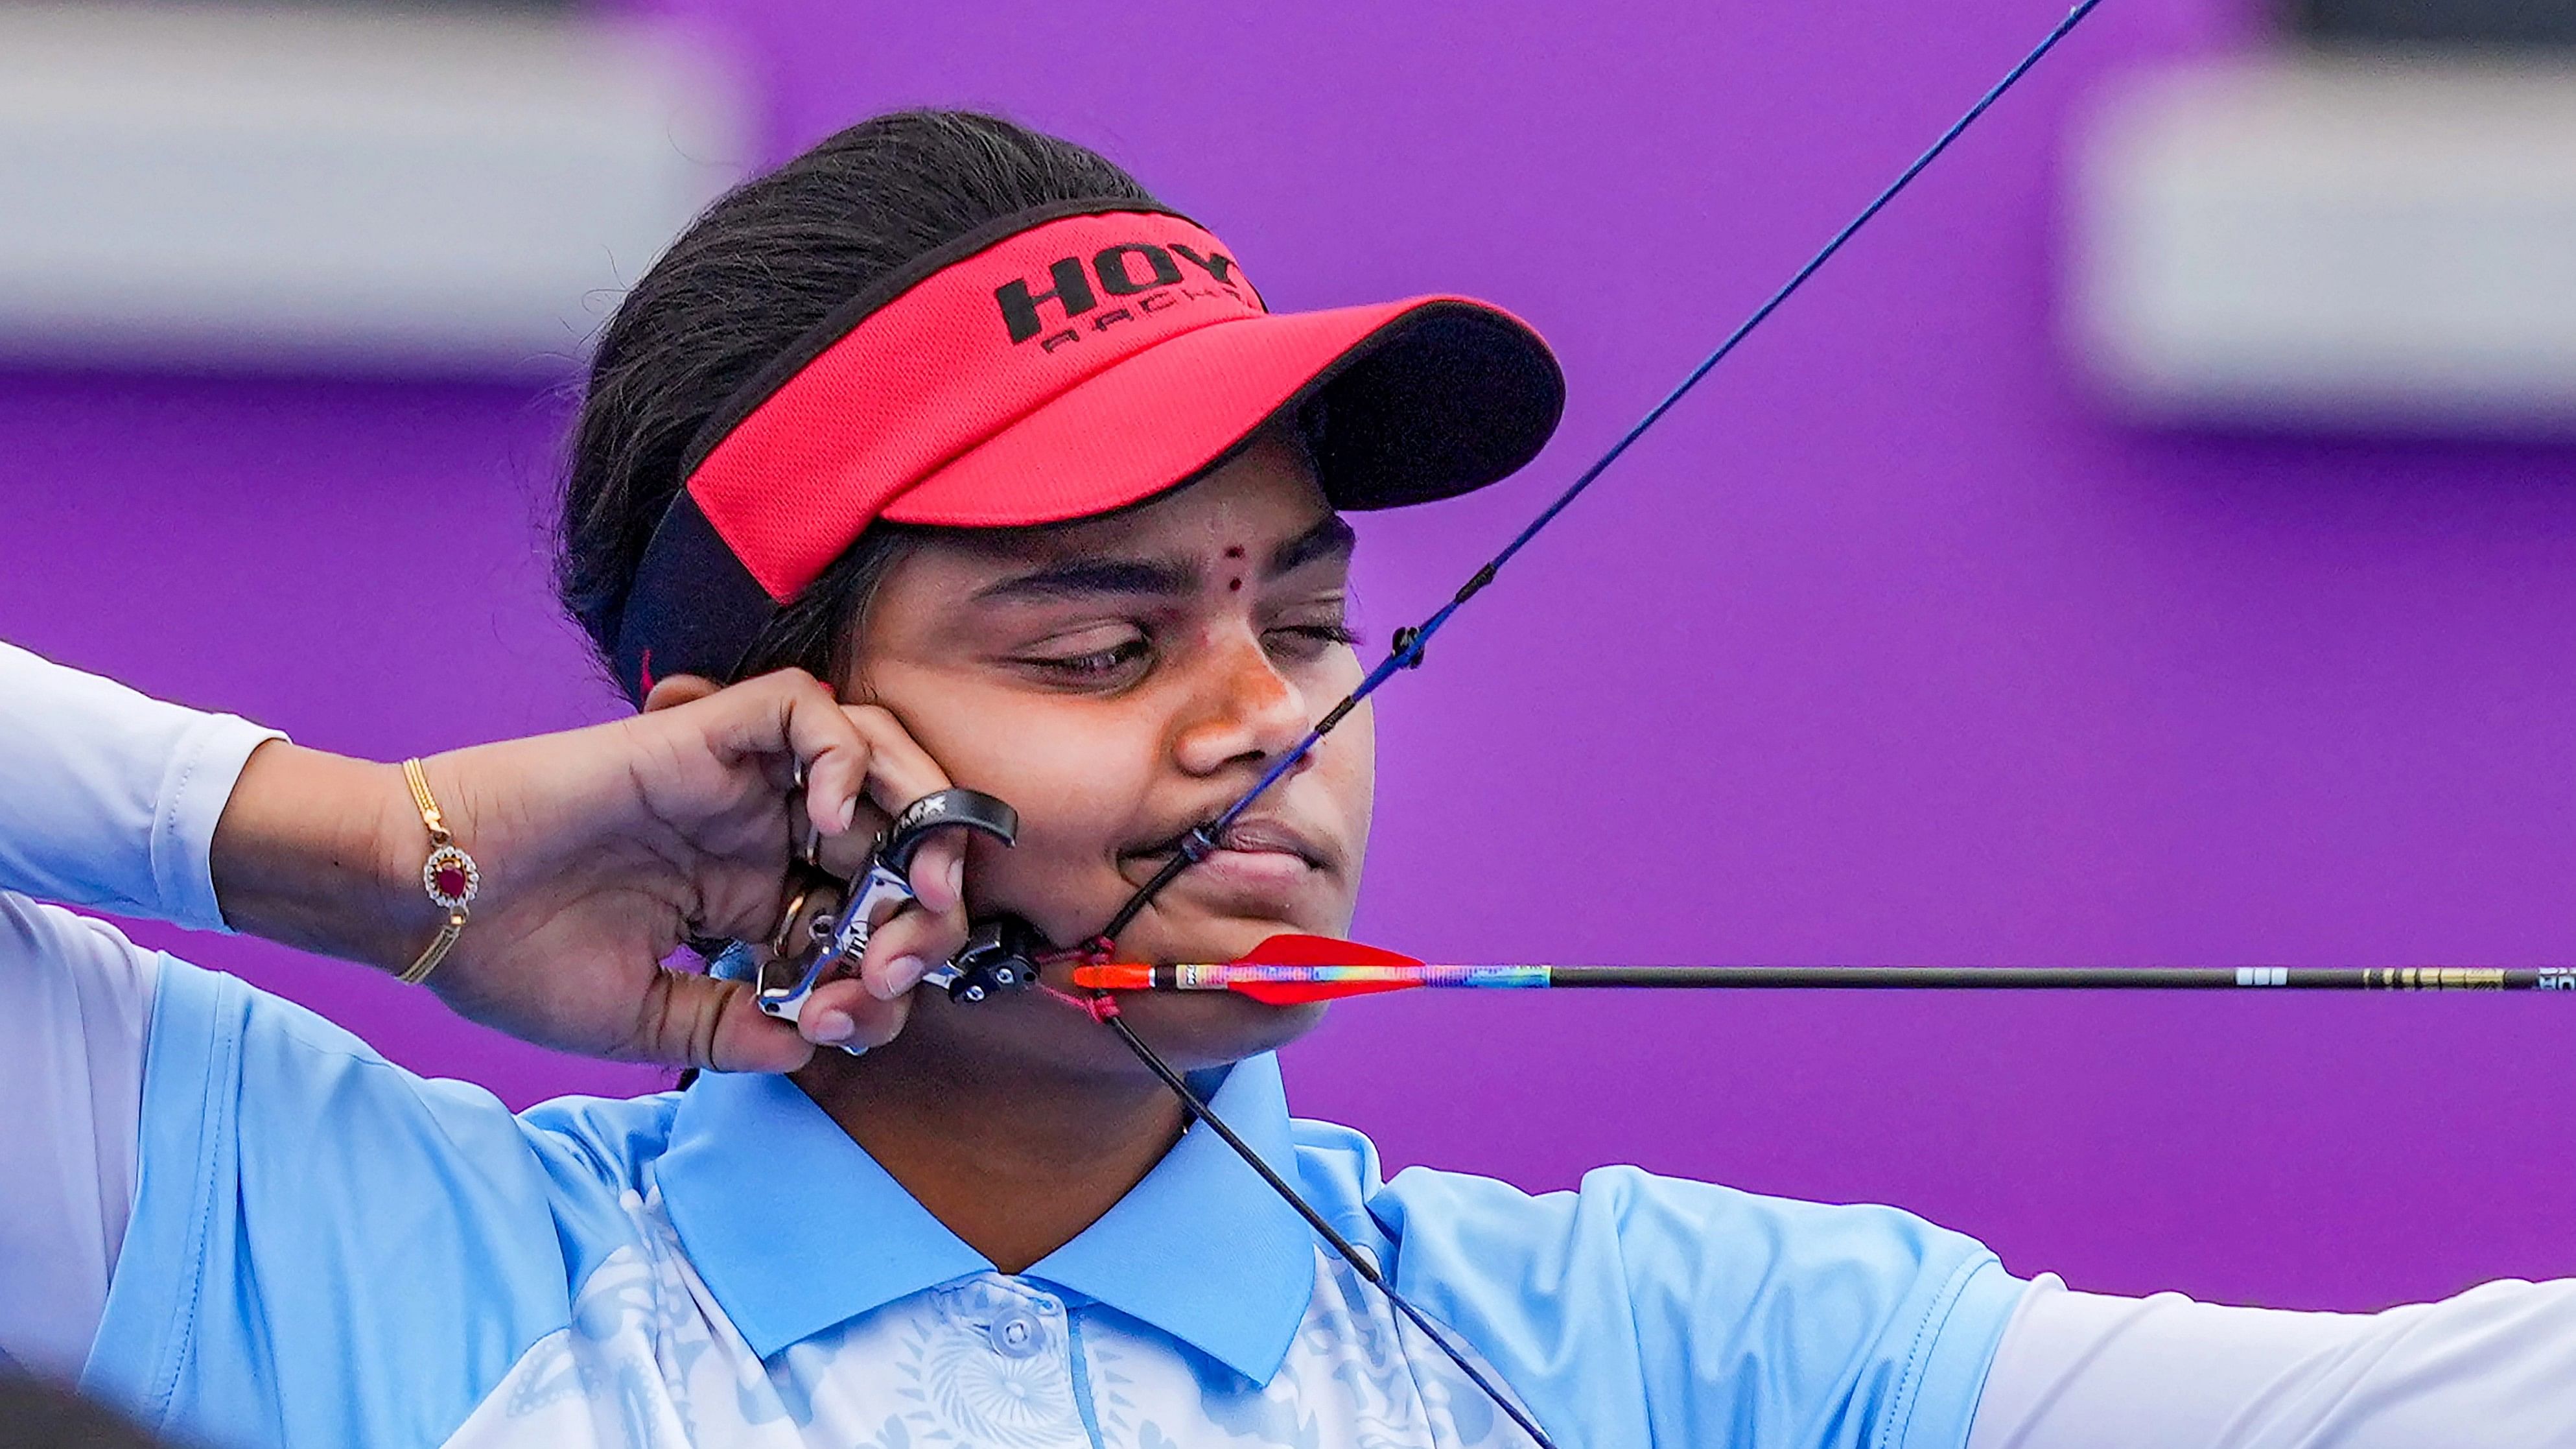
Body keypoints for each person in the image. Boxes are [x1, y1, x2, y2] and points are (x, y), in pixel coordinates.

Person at [4, 108, 2573, 1449]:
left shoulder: (1671, 1350)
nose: (1272, 721)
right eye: (1106, 635)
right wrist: (366, 850)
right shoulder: (295, 1233)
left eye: (1309, 614)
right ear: (756, 737)